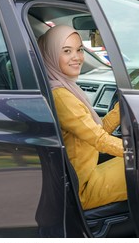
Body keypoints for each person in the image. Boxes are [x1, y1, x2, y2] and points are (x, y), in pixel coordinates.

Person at [38, 25, 127, 210]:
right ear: (52, 55)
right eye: (66, 51)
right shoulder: (62, 96)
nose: (77, 57)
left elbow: (95, 130)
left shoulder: (64, 87)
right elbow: (99, 140)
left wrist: (122, 108)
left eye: (79, 49)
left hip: (84, 176)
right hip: (82, 188)